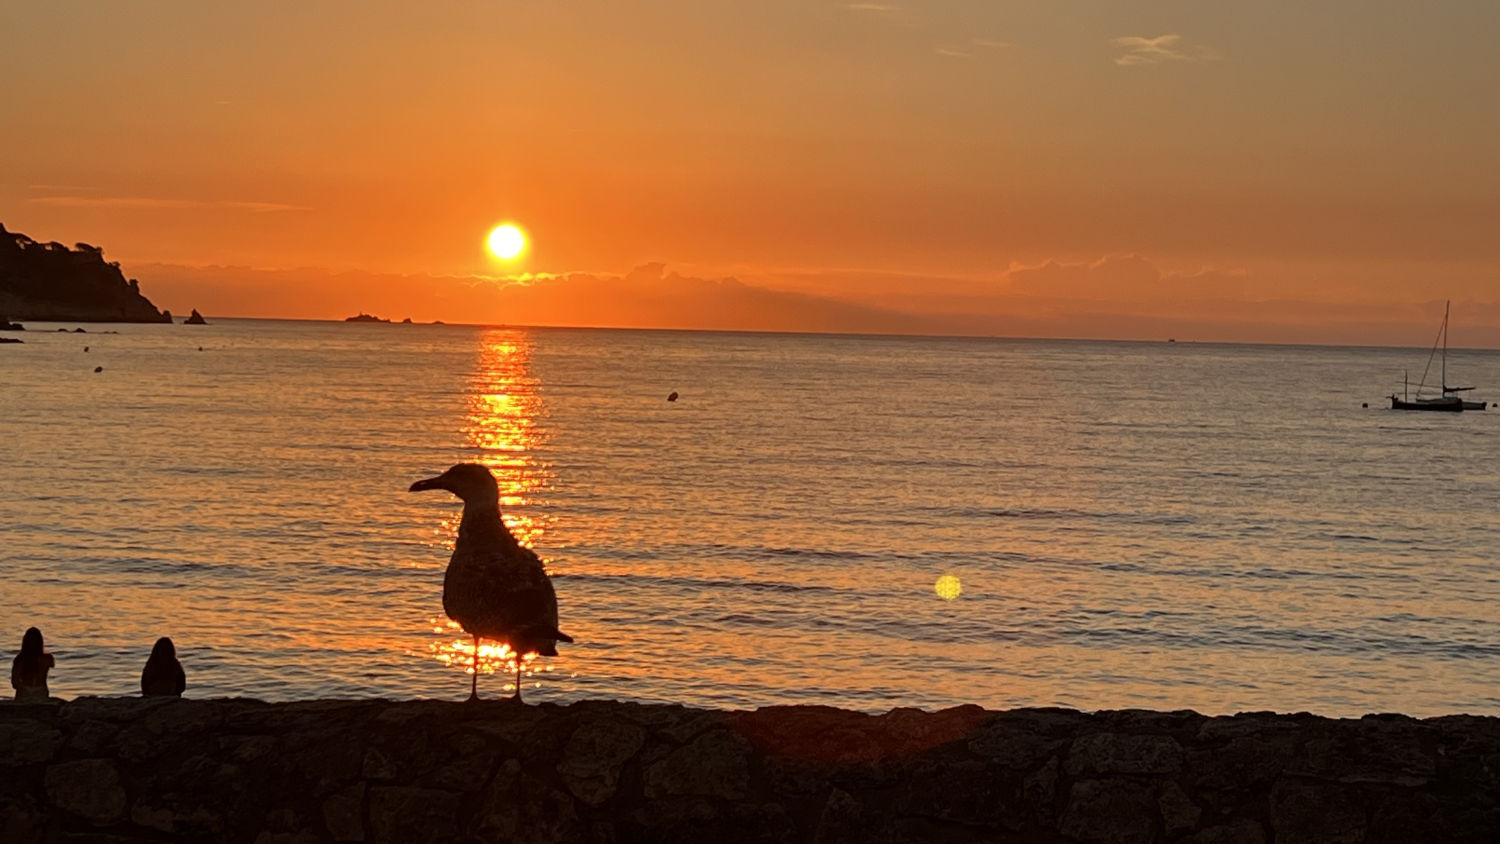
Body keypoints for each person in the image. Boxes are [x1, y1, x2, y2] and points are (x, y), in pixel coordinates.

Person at [11, 627, 55, 702]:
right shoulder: (47, 658)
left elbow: (14, 683)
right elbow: (51, 665)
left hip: (24, 691)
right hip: (41, 690)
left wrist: (21, 688)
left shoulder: (20, 659)